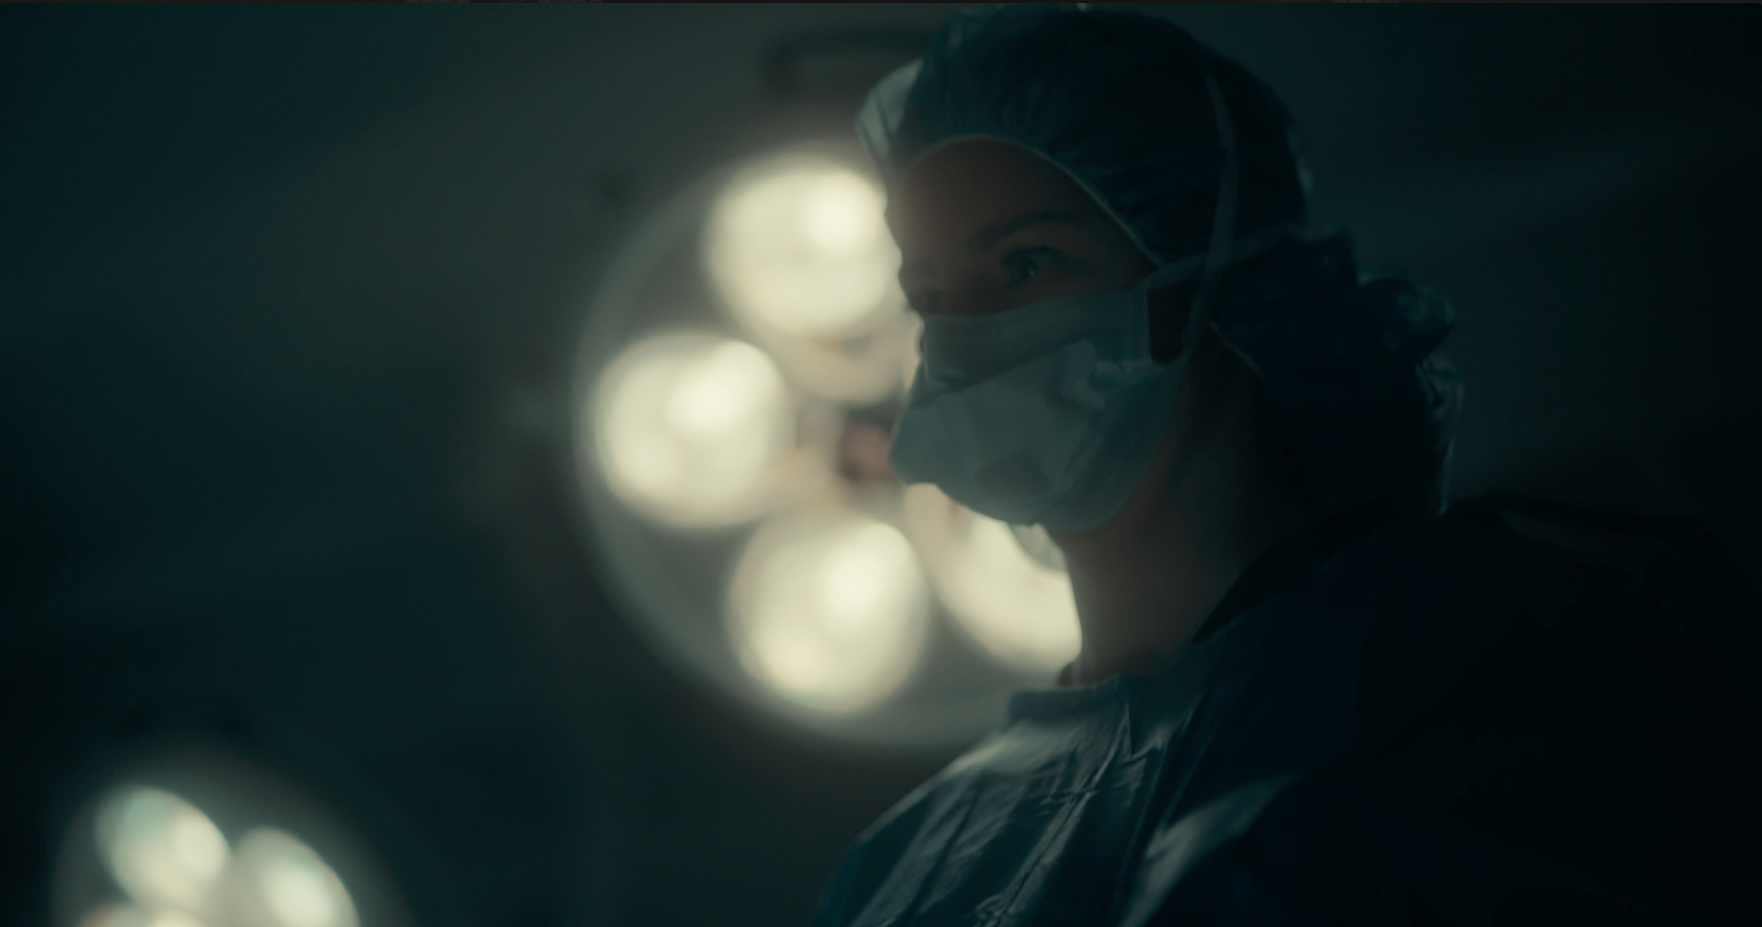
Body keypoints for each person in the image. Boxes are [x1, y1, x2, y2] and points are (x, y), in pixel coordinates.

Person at [810, 5, 1761, 926]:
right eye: (927, 294)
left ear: (1213, 269)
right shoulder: (906, 863)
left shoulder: (1500, 643)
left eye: (1025, 264)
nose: (960, 341)